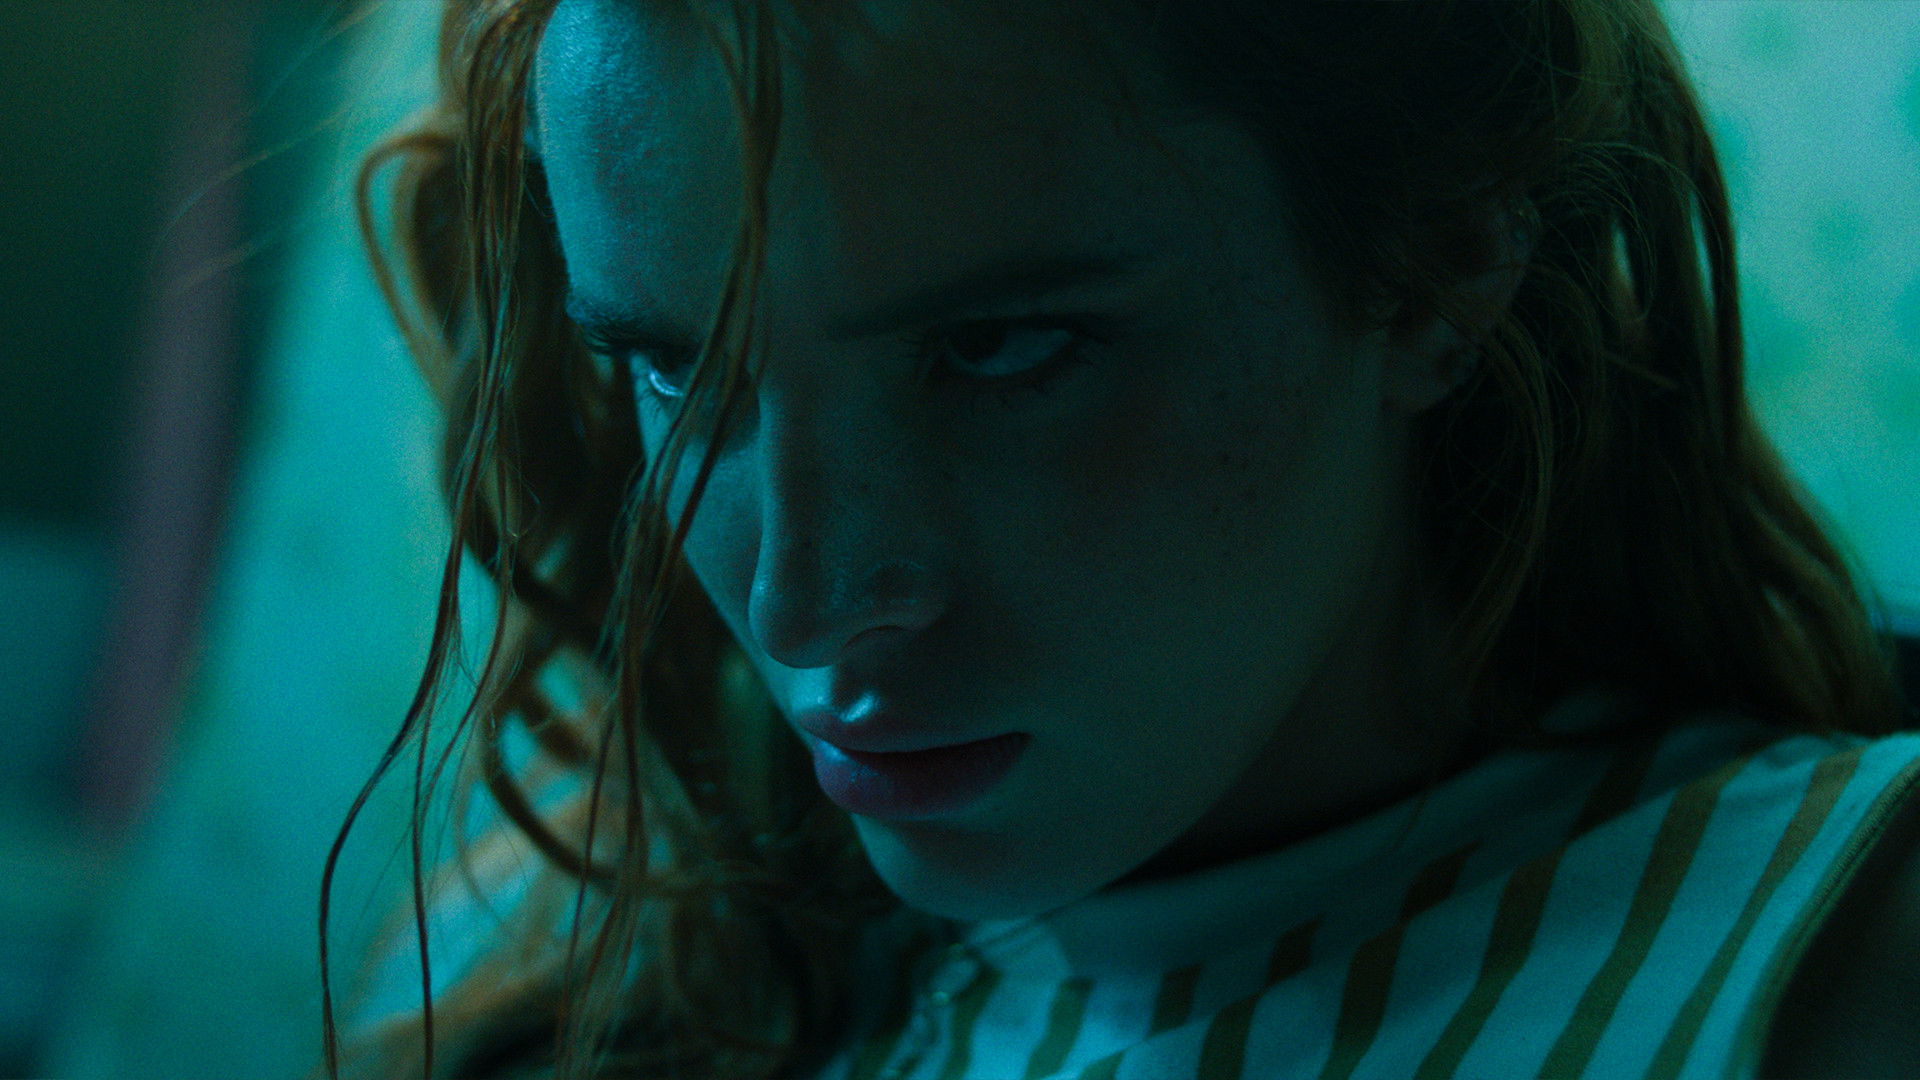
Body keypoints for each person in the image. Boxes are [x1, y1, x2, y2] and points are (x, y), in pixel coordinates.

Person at [315, 1, 1919, 1077]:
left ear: (1437, 259)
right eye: (677, 370)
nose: (804, 606)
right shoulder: (571, 972)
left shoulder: (1840, 955)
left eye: (1001, 350)